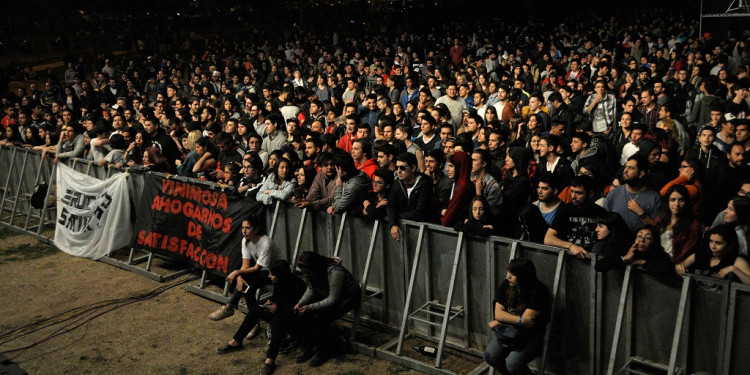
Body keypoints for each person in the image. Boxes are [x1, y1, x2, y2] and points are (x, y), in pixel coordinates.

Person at [294, 251, 361, 367]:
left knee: (321, 317)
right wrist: (300, 302)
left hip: (348, 297)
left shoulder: (335, 272)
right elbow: (311, 290)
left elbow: (332, 299)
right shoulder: (312, 271)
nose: (308, 274)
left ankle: (323, 350)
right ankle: (308, 346)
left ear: (314, 267)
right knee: (303, 314)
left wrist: (309, 307)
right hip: (329, 293)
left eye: (309, 272)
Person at [484, 258, 551, 375]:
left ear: (524, 276)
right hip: (507, 331)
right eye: (509, 272)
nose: (508, 277)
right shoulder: (507, 285)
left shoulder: (539, 291)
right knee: (490, 356)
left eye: (513, 274)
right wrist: (519, 320)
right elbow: (499, 314)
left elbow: (526, 325)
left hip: (529, 336)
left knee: (513, 364)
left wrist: (501, 322)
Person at [209, 216, 281, 322]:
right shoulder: (245, 241)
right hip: (263, 272)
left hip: (276, 273)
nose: (244, 231)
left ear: (256, 229)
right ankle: (251, 320)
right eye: (242, 228)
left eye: (248, 228)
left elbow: (257, 268)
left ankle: (230, 308)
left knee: (248, 287)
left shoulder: (266, 242)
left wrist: (237, 272)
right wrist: (239, 277)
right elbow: (245, 265)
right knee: (248, 289)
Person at [544, 175, 607, 259]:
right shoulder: (565, 209)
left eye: (579, 193)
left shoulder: (600, 212)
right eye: (572, 191)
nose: (573, 196)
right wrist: (571, 246)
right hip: (568, 258)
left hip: (592, 259)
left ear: (590, 193)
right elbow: (548, 238)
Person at [387, 152, 438, 240]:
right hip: (407, 233)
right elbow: (391, 205)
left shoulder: (425, 184)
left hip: (426, 234)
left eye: (402, 168)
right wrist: (393, 224)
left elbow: (420, 213)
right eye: (396, 168)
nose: (398, 171)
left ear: (413, 168)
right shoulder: (398, 183)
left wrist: (398, 215)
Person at [675, 225, 750, 284]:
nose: (713, 246)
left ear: (729, 245)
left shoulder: (737, 261)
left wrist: (733, 269)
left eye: (718, 243)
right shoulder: (700, 256)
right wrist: (678, 269)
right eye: (711, 241)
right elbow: (679, 267)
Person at [595, 225, 676, 276]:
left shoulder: (660, 255)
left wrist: (642, 262)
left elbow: (668, 269)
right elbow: (599, 266)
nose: (642, 240)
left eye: (648, 238)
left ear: (654, 242)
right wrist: (625, 258)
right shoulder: (627, 250)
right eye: (639, 236)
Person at [654, 185, 702, 264]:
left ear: (686, 202)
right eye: (673, 200)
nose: (676, 204)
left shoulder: (693, 224)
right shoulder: (661, 218)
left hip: (673, 265)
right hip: (655, 260)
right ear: (668, 201)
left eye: (681, 200)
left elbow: (685, 254)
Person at [441, 151, 474, 227]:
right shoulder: (462, 185)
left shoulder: (462, 189)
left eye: (451, 166)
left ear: (460, 167)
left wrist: (441, 213)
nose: (447, 169)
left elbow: (446, 221)